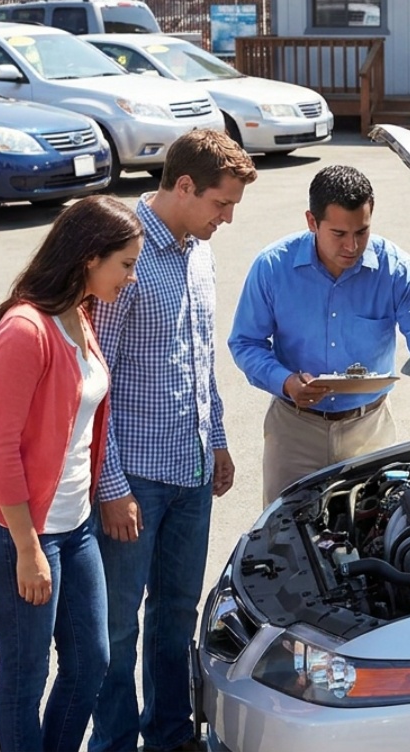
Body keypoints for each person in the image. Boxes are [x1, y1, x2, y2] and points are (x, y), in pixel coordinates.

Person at [88, 128, 256, 752]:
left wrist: (217, 439)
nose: (228, 218)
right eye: (221, 203)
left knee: (177, 615)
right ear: (183, 186)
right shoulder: (123, 251)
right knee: (118, 626)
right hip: (132, 481)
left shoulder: (199, 250)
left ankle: (168, 736)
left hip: (191, 474)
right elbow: (94, 380)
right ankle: (114, 744)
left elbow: (199, 356)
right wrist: (109, 487)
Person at [0, 195, 142, 752]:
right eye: (126, 264)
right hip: (19, 534)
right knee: (24, 679)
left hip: (77, 525)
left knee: (90, 664)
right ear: (90, 257)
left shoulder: (80, 315)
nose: (131, 278)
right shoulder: (26, 329)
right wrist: (27, 548)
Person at [229, 164, 410, 502]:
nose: (352, 246)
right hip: (293, 430)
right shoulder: (272, 267)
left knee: (376, 530)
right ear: (312, 222)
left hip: (370, 429)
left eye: (362, 232)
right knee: (285, 538)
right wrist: (284, 380)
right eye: (339, 234)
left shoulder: (397, 270)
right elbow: (245, 342)